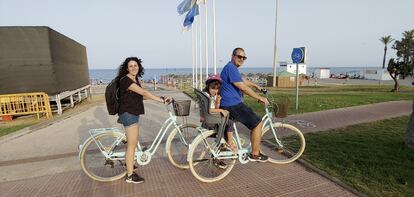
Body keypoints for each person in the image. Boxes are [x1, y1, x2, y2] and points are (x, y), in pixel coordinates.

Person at [117, 57, 171, 184]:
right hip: (129, 114)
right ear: (127, 68)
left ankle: (129, 164)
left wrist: (159, 97)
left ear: (139, 67)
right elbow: (143, 92)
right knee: (131, 145)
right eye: (131, 66)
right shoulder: (125, 80)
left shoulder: (134, 80)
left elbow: (139, 96)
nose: (134, 68)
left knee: (133, 142)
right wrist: (161, 100)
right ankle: (130, 175)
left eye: (135, 65)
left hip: (132, 113)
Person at [220, 48, 270, 162]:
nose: (241, 59)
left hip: (228, 104)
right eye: (239, 56)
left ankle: (226, 151)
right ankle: (255, 154)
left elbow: (242, 80)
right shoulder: (231, 67)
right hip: (232, 105)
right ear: (232, 56)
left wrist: (256, 86)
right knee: (257, 124)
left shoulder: (231, 68)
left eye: (244, 58)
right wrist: (259, 97)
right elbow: (242, 87)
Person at [203, 74, 237, 152]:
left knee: (226, 121)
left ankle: (223, 145)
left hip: (209, 119)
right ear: (208, 87)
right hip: (211, 121)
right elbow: (210, 110)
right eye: (213, 88)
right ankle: (230, 144)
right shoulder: (207, 97)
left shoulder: (207, 95)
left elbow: (213, 109)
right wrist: (221, 110)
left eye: (217, 89)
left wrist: (217, 103)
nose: (215, 91)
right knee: (230, 122)